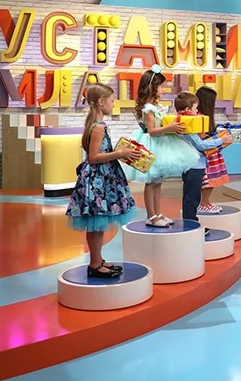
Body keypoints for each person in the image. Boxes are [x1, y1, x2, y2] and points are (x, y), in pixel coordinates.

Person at [66, 83, 141, 278]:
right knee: (96, 225)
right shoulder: (98, 127)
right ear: (101, 102)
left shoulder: (97, 125)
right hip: (96, 180)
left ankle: (98, 260)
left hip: (100, 178)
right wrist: (119, 153)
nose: (113, 105)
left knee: (97, 225)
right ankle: (94, 264)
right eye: (112, 101)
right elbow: (94, 157)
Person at [125, 65, 200, 227]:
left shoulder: (157, 107)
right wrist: (170, 128)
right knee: (151, 182)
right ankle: (151, 216)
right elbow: (152, 131)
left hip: (161, 144)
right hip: (153, 144)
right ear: (151, 87)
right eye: (161, 86)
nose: (163, 89)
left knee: (158, 181)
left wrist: (173, 126)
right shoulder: (148, 109)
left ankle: (158, 213)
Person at [175, 91, 233, 221]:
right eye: (195, 108)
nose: (197, 111)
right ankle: (190, 223)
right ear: (187, 109)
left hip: (197, 164)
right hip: (193, 165)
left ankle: (191, 221)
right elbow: (200, 144)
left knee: (193, 196)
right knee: (192, 197)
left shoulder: (187, 123)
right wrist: (221, 140)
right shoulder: (186, 125)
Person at [195, 86, 229, 214]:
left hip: (212, 153)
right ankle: (203, 203)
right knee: (208, 180)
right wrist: (219, 139)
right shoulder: (200, 118)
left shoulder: (205, 117)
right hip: (206, 154)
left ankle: (206, 202)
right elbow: (201, 138)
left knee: (213, 178)